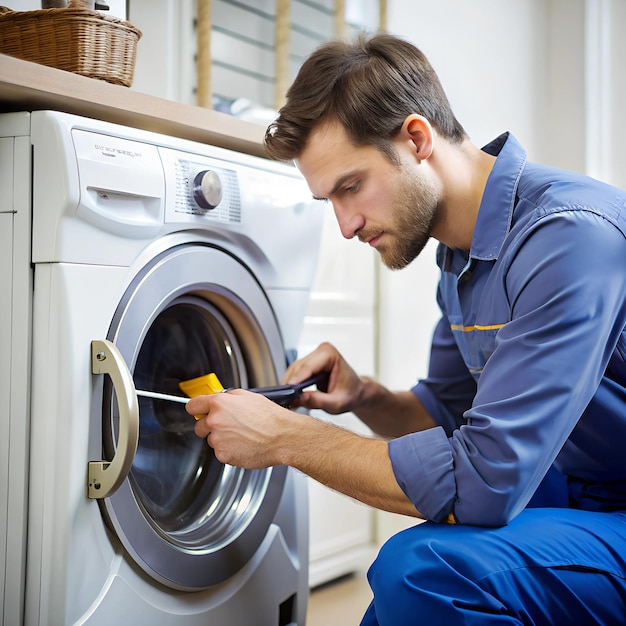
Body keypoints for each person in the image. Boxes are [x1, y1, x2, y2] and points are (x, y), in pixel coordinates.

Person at [187, 33, 626, 624]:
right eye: (330, 202)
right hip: (573, 495)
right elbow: (444, 414)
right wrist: (361, 395)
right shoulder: (458, 259)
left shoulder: (569, 238)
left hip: (611, 509)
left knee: (421, 571)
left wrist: (284, 438)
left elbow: (484, 483)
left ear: (416, 139)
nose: (345, 226)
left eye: (350, 187)